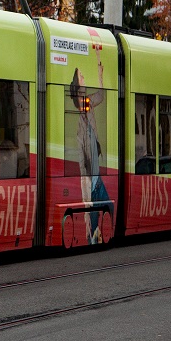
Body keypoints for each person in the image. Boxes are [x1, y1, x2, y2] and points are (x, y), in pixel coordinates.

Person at [70, 67, 111, 244]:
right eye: (81, 76)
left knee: (104, 210)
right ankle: (92, 236)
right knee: (94, 221)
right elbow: (81, 162)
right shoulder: (81, 125)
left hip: (96, 179)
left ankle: (93, 235)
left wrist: (101, 75)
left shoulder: (88, 105)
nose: (84, 77)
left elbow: (100, 96)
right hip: (92, 183)